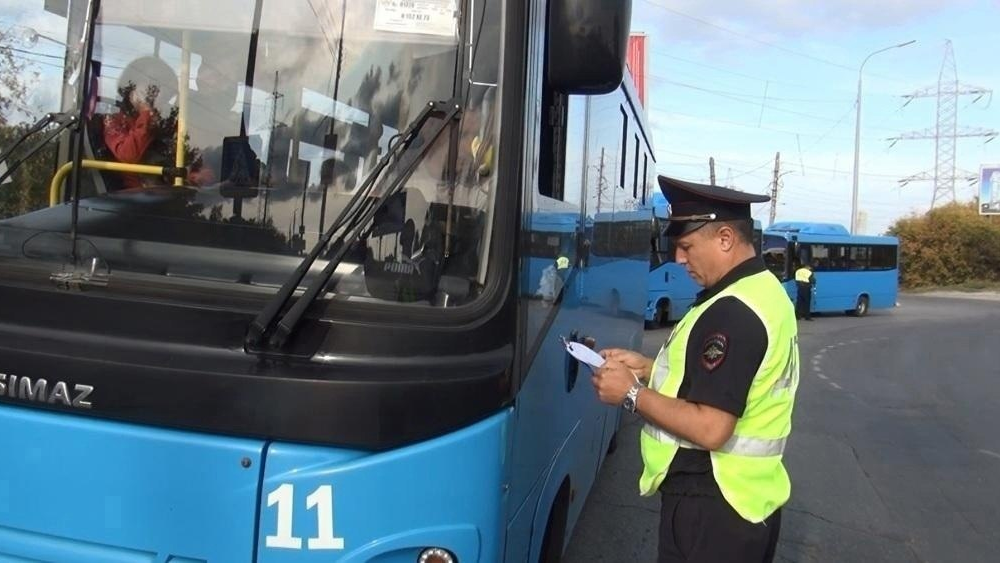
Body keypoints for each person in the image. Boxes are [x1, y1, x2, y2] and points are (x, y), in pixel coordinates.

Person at [591, 176, 799, 563]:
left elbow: (711, 428)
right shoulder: (764, 290)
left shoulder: (732, 310)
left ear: (724, 238)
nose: (679, 259)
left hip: (714, 505)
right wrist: (650, 370)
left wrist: (631, 394)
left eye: (686, 246)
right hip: (746, 503)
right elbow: (733, 381)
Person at [101, 56, 179, 190]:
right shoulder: (114, 121)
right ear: (131, 89)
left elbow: (186, 148)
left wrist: (196, 173)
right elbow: (128, 156)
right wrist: (146, 111)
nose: (158, 95)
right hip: (137, 195)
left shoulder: (168, 118)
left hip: (172, 187)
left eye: (163, 89)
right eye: (152, 87)